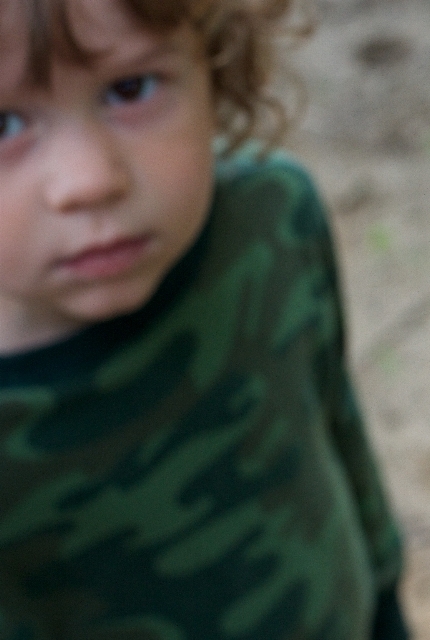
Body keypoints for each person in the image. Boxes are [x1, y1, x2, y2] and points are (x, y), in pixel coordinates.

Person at [0, 0, 408, 638]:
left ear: (215, 65)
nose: (89, 180)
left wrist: (386, 600)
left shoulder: (272, 219)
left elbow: (336, 427)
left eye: (130, 88)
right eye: (4, 124)